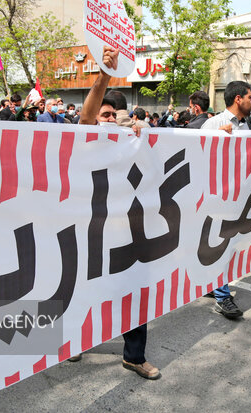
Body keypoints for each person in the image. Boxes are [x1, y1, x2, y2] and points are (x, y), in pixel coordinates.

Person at [74, 45, 159, 380]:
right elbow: (85, 115)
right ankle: (72, 342)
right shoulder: (86, 137)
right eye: (104, 115)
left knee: (134, 291)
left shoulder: (136, 141)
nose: (108, 120)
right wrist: (104, 75)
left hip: (128, 234)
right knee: (81, 289)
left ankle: (134, 356)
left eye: (114, 116)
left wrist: (142, 137)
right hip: (90, 231)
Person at [199, 80, 251, 319]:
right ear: (238, 99)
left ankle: (212, 284)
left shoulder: (246, 125)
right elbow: (198, 154)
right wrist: (216, 139)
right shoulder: (214, 124)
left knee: (229, 246)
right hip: (217, 197)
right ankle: (222, 297)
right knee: (221, 245)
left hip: (238, 198)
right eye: (250, 96)